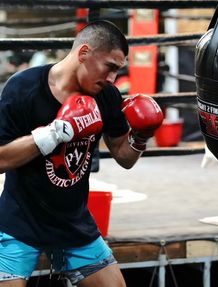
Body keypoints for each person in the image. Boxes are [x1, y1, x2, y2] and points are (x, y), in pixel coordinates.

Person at [0, 20, 163, 286]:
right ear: (84, 53)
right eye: (109, 67)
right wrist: (50, 135)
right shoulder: (24, 89)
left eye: (117, 70)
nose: (112, 79)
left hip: (74, 225)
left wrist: (140, 136)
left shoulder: (106, 96)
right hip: (20, 223)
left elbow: (124, 156)